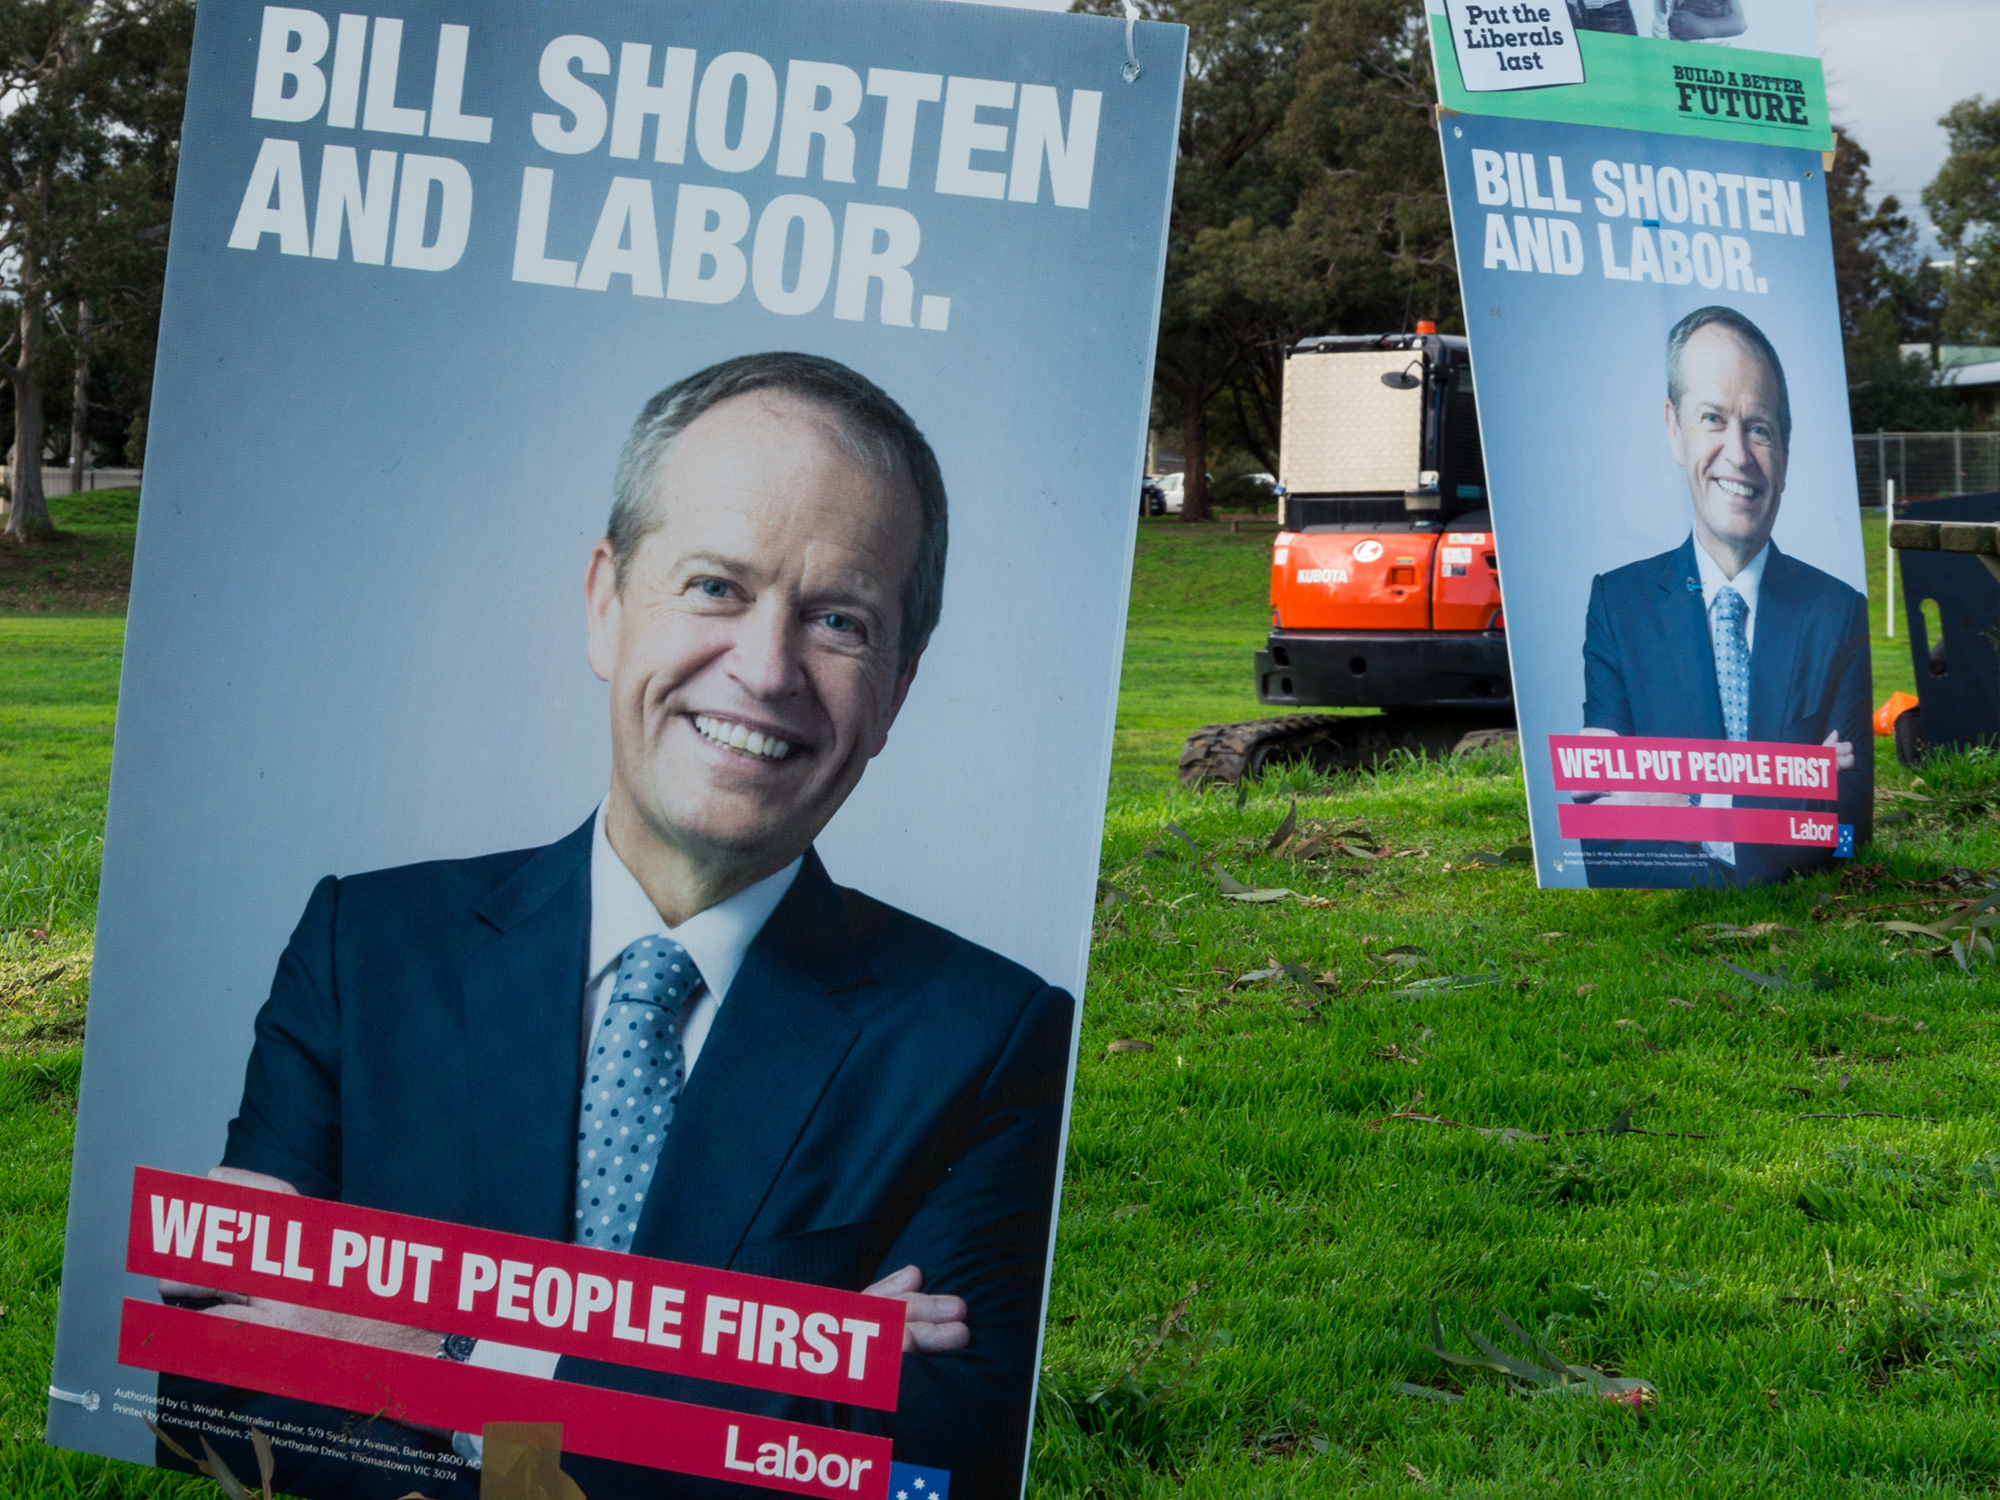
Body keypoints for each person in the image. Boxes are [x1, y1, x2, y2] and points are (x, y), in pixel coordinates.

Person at [155, 352, 1074, 1500]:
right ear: (605, 603)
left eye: (837, 620)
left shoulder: (992, 1042)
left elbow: (929, 1464)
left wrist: (440, 1354)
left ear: (895, 688)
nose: (765, 669)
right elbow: (215, 1390)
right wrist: (769, 1368)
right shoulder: (361, 951)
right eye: (715, 587)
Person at [1578, 306, 1871, 888]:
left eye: (1759, 428)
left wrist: (1680, 798)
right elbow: (1605, 841)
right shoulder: (1618, 606)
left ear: (1785, 453)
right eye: (1712, 418)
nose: (1738, 453)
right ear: (1674, 428)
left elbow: (1848, 835)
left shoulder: (1839, 615)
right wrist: (1790, 783)